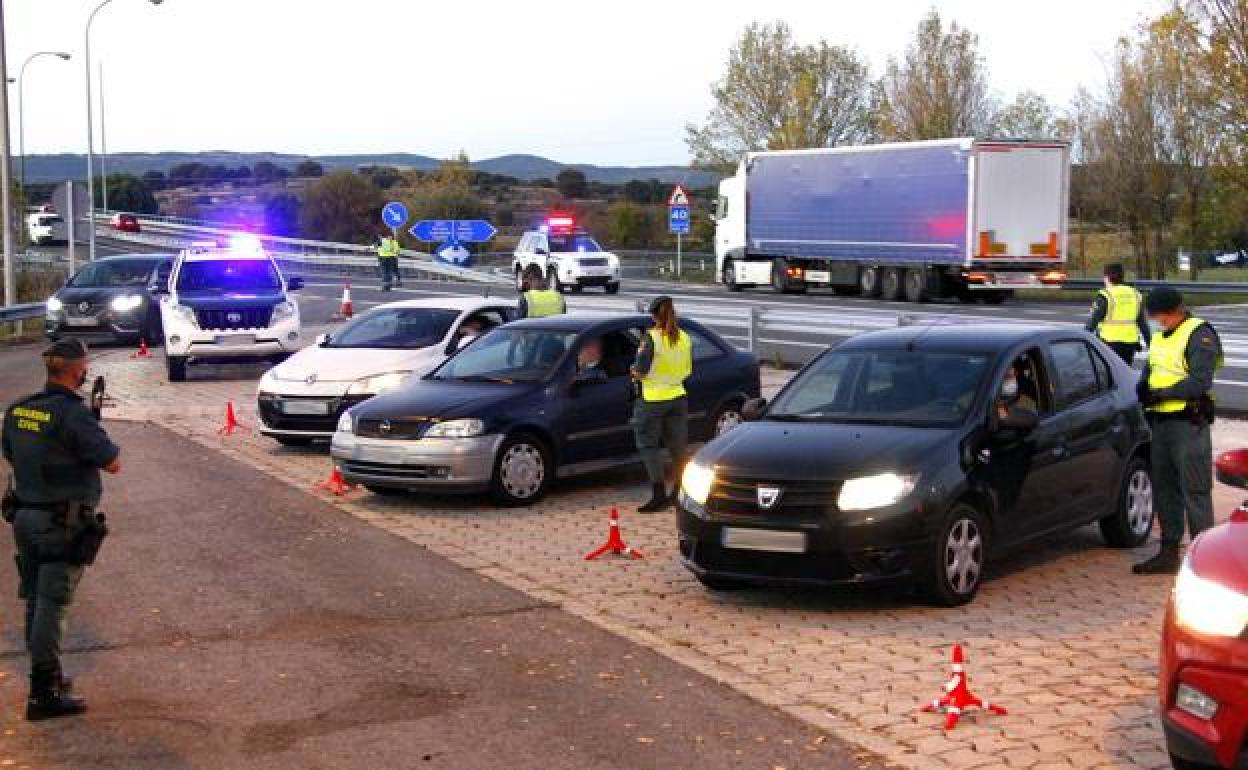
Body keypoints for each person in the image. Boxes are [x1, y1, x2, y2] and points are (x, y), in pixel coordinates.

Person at [3, 339, 121, 720]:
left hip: (25, 516)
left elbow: (11, 451)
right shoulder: (73, 414)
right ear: (77, 371)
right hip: (61, 523)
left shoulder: (19, 410)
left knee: (37, 600)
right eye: (84, 367)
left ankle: (49, 675)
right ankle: (43, 693)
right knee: (53, 605)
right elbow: (112, 462)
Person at [1133, 286, 1223, 575]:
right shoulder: (1160, 336)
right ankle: (1168, 552)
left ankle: (1204, 559)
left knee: (1194, 490)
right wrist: (1143, 387)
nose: (1157, 322)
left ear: (1175, 311)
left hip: (1188, 424)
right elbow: (1153, 367)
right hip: (1161, 424)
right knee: (1164, 488)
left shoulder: (1200, 334)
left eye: (1160, 316)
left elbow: (1199, 381)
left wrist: (1163, 394)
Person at [630, 296, 693, 513]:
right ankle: (678, 492)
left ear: (654, 315)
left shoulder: (651, 338)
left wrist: (632, 370)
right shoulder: (684, 338)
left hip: (652, 399)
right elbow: (687, 370)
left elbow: (640, 371)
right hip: (678, 397)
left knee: (649, 446)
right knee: (678, 448)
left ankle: (658, 495)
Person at [1085, 263, 1150, 365]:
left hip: (1109, 343)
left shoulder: (1106, 295)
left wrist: (1083, 344)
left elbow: (1092, 322)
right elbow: (1143, 324)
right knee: (1124, 372)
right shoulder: (1135, 294)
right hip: (1130, 344)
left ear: (1106, 277)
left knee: (1110, 374)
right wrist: (1150, 344)